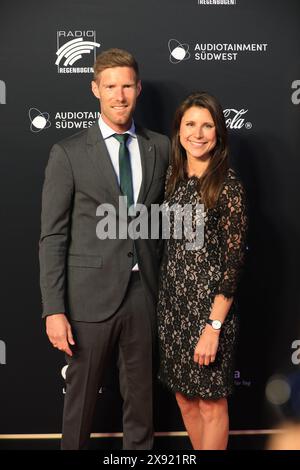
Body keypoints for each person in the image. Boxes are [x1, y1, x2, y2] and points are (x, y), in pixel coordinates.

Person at [39, 48, 170, 450]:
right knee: (78, 407)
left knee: (141, 406)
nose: (119, 95)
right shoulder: (69, 153)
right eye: (110, 86)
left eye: (127, 85)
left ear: (139, 88)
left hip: (143, 294)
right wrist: (54, 309)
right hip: (88, 298)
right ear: (95, 89)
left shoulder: (161, 147)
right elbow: (53, 236)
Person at [157, 92, 247, 450]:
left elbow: (233, 263)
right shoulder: (171, 178)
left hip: (210, 313)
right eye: (190, 124)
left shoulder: (228, 186)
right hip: (172, 310)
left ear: (219, 133)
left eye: (207, 125)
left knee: (211, 404)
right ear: (178, 130)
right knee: (184, 399)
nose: (198, 133)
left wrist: (213, 327)